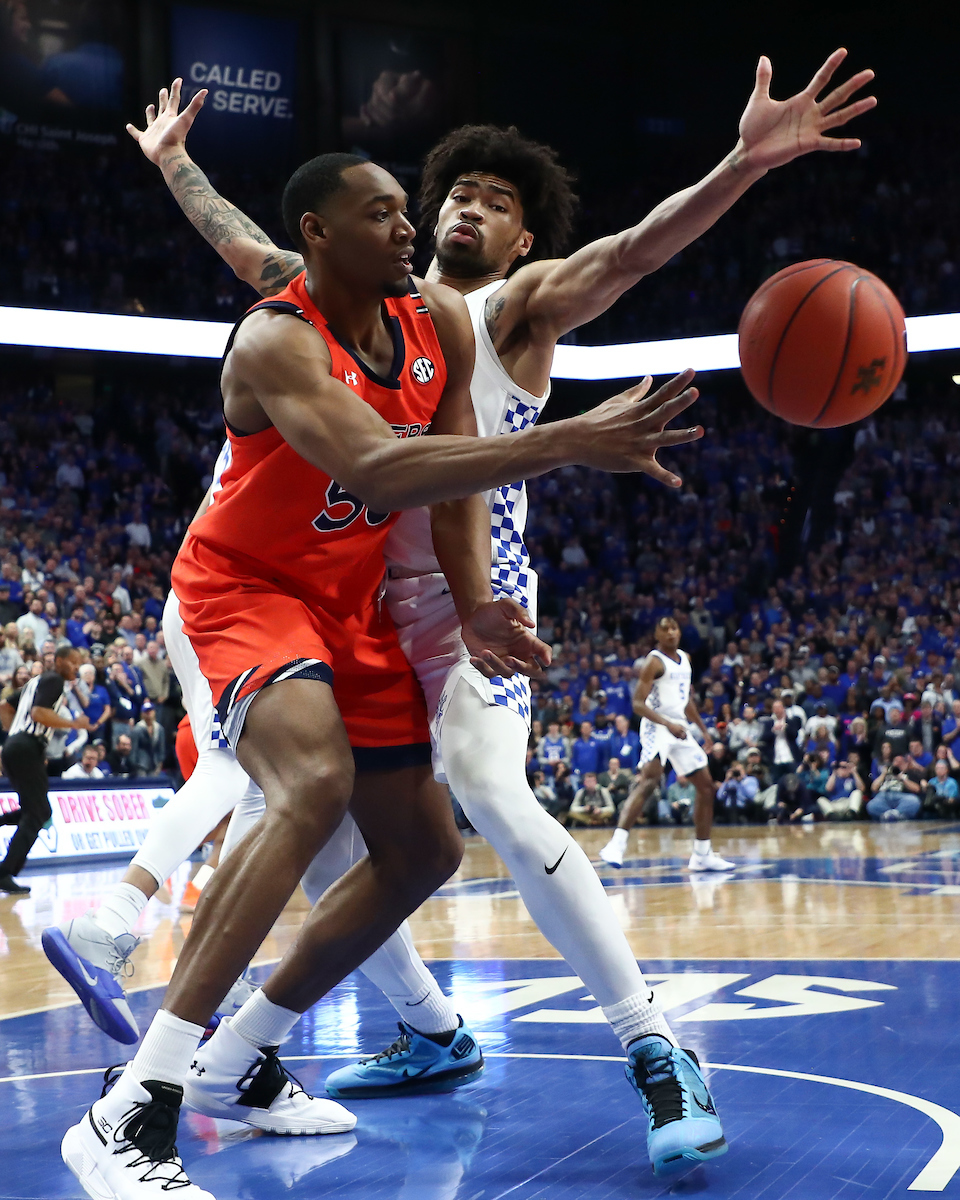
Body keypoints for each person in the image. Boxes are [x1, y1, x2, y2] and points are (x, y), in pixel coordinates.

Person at [69, 47, 874, 1179]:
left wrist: (742, 166)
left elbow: (636, 250)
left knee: (485, 790)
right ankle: (278, 1048)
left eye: (495, 203)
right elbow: (247, 243)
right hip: (348, 596)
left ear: (522, 241)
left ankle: (653, 1047)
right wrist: (173, 165)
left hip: (469, 600)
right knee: (333, 834)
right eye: (451, 192)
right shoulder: (346, 301)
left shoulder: (513, 308)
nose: (460, 211)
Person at [600, 617, 733, 870]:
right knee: (650, 781)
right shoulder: (654, 661)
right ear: (657, 635)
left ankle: (702, 855)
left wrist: (703, 731)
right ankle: (616, 845)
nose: (671, 633)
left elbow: (685, 701)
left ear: (679, 632)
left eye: (674, 628)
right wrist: (667, 724)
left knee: (706, 787)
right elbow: (637, 704)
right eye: (665, 629)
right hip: (656, 725)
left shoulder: (685, 659)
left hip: (679, 726)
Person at [0, 643, 89, 894]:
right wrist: (73, 724)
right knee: (38, 813)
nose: (76, 667)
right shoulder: (54, 680)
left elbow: (4, 707)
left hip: (17, 747)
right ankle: (4, 872)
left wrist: (15, 736)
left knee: (39, 810)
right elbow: (39, 713)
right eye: (73, 662)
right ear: (58, 661)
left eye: (79, 663)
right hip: (25, 747)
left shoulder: (35, 682)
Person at [867, 755, 923, 821]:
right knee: (871, 805)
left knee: (914, 801)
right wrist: (883, 774)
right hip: (884, 795)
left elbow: (917, 789)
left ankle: (893, 814)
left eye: (900, 762)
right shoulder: (886, 774)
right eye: (896, 761)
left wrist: (902, 778)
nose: (897, 764)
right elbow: (873, 788)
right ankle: (894, 815)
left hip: (902, 796)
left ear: (906, 764)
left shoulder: (910, 773)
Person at [130, 700, 167, 776]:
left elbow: (161, 748)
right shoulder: (138, 729)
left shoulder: (159, 729)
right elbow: (134, 748)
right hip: (141, 764)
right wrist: (133, 764)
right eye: (146, 711)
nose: (148, 713)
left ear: (154, 712)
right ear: (142, 714)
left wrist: (160, 764)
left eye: (150, 711)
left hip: (155, 763)